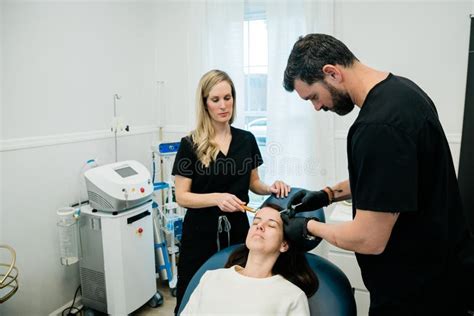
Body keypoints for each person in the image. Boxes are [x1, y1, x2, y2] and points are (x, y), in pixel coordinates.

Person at [281, 33, 474, 315]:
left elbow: (368, 239)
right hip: (445, 276)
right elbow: (389, 179)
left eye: (313, 97)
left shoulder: (378, 127)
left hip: (416, 295)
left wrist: (308, 228)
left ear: (331, 73)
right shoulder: (403, 92)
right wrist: (326, 195)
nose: (317, 107)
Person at [172, 69, 291, 313]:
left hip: (237, 229)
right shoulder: (190, 144)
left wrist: (271, 187)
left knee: (237, 294)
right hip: (200, 232)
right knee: (192, 292)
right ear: (205, 103)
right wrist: (217, 198)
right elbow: (181, 196)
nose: (224, 105)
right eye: (215, 100)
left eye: (228, 97)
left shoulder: (246, 140)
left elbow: (254, 183)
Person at [181, 205, 318, 315]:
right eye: (256, 222)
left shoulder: (292, 296)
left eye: (271, 225)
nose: (259, 226)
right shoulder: (211, 277)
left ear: (284, 245)